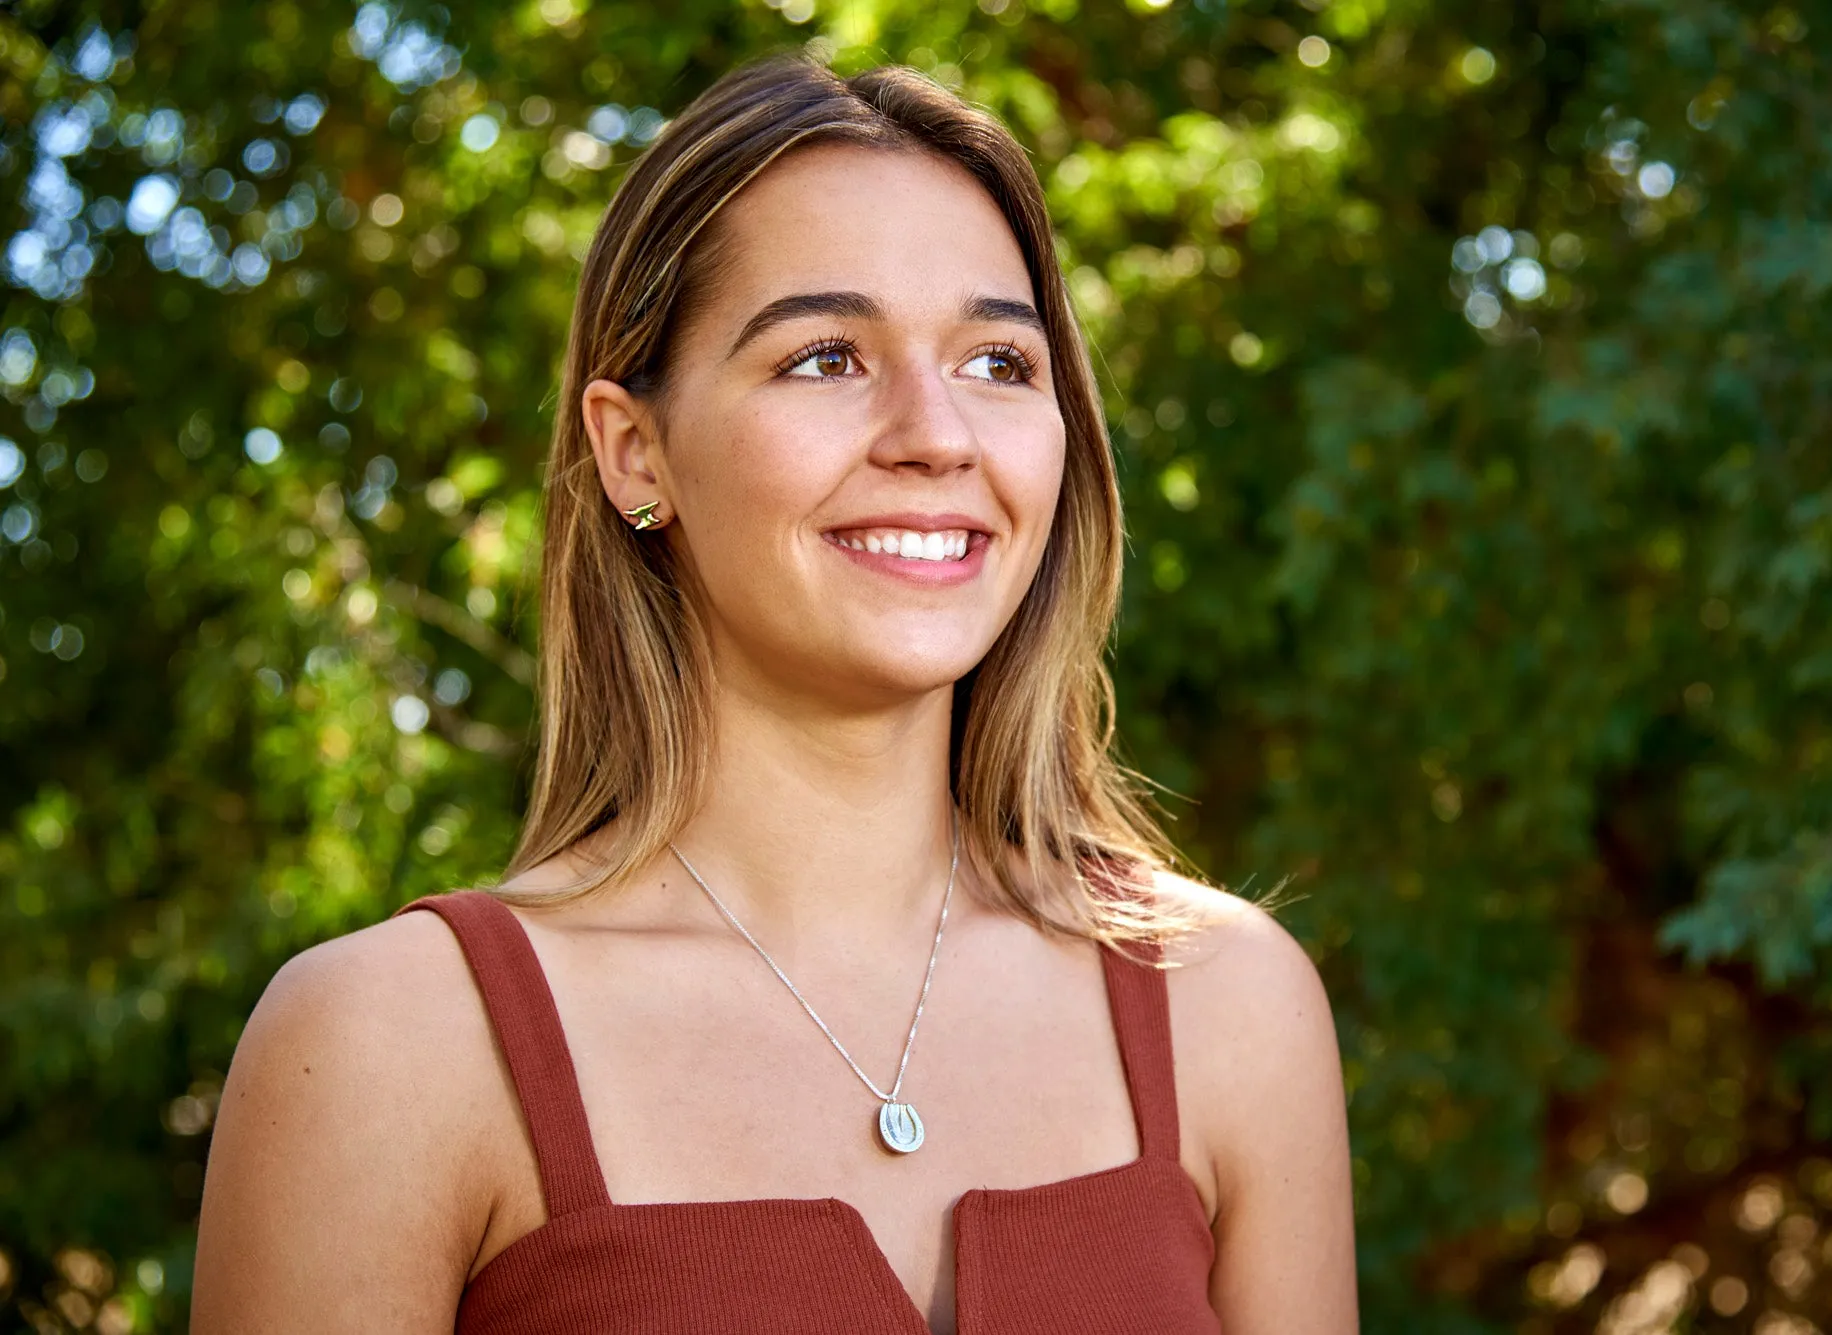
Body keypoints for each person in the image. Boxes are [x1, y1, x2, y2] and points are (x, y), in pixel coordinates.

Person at [191, 52, 1356, 1335]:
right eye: (823, 358)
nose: (936, 433)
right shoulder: (388, 1046)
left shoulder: (1228, 1006)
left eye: (996, 363)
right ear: (636, 452)